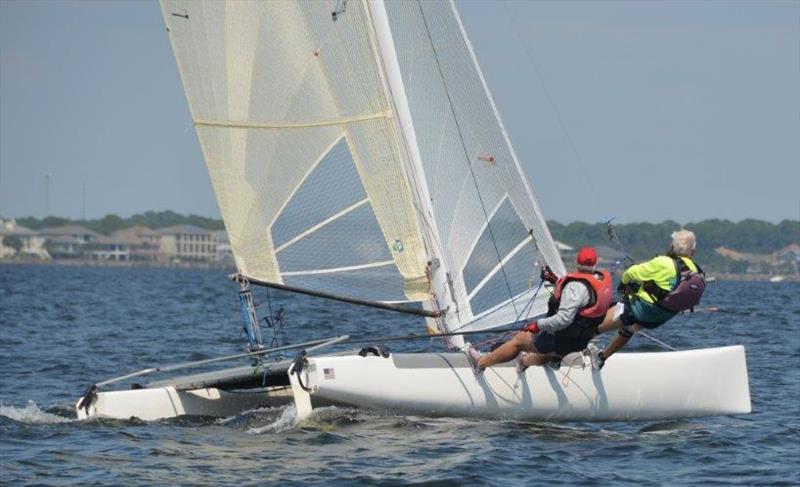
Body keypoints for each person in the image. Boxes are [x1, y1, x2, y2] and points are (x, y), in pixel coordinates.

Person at [466, 247, 613, 373]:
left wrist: (538, 324)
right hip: (580, 341)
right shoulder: (598, 282)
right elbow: (580, 301)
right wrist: (555, 280)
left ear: (576, 262)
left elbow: (564, 318)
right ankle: (525, 363)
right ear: (596, 263)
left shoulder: (575, 287)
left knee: (518, 342)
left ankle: (480, 363)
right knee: (548, 350)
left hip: (561, 339)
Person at [589, 229, 706, 370]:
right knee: (631, 327)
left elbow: (629, 273)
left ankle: (567, 348)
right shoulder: (697, 271)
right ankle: (602, 357)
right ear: (692, 252)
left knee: (593, 326)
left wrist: (624, 284)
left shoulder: (664, 262)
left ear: (672, 247)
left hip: (641, 310)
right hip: (658, 319)